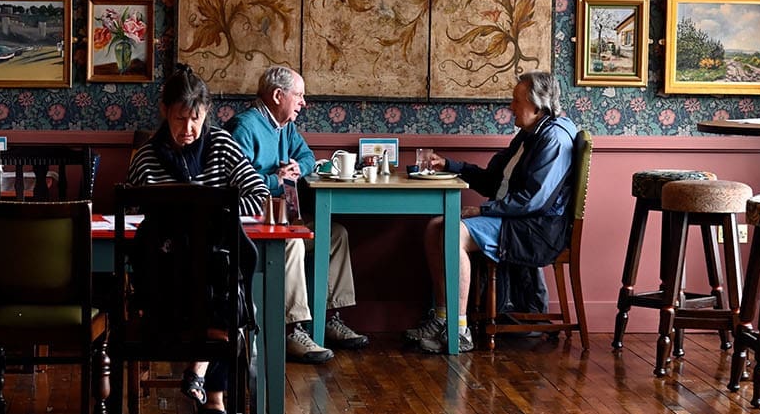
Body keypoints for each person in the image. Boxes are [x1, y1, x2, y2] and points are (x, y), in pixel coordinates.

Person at [127, 64, 268, 414]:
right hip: (167, 276)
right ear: (164, 112)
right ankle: (207, 386)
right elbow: (129, 213)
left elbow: (258, 193)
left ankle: (208, 385)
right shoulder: (146, 157)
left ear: (206, 114)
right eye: (179, 119)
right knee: (223, 294)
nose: (188, 129)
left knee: (224, 282)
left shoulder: (221, 145)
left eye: (196, 119)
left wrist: (218, 213)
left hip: (213, 269)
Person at [409, 71, 577, 354]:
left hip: (536, 229)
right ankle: (442, 319)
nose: (510, 107)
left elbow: (533, 201)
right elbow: (494, 181)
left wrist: (484, 209)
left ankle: (459, 331)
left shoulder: (554, 139)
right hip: (517, 219)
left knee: (453, 233)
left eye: (516, 101)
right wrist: (451, 165)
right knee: (435, 227)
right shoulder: (528, 135)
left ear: (537, 106)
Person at [223, 66, 368, 364]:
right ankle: (292, 329)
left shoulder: (284, 125)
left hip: (280, 216)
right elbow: (234, 186)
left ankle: (328, 318)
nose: (303, 102)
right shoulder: (245, 127)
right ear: (278, 95)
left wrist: (297, 168)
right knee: (294, 242)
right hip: (250, 223)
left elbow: (307, 156)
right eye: (299, 95)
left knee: (336, 234)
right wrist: (276, 179)